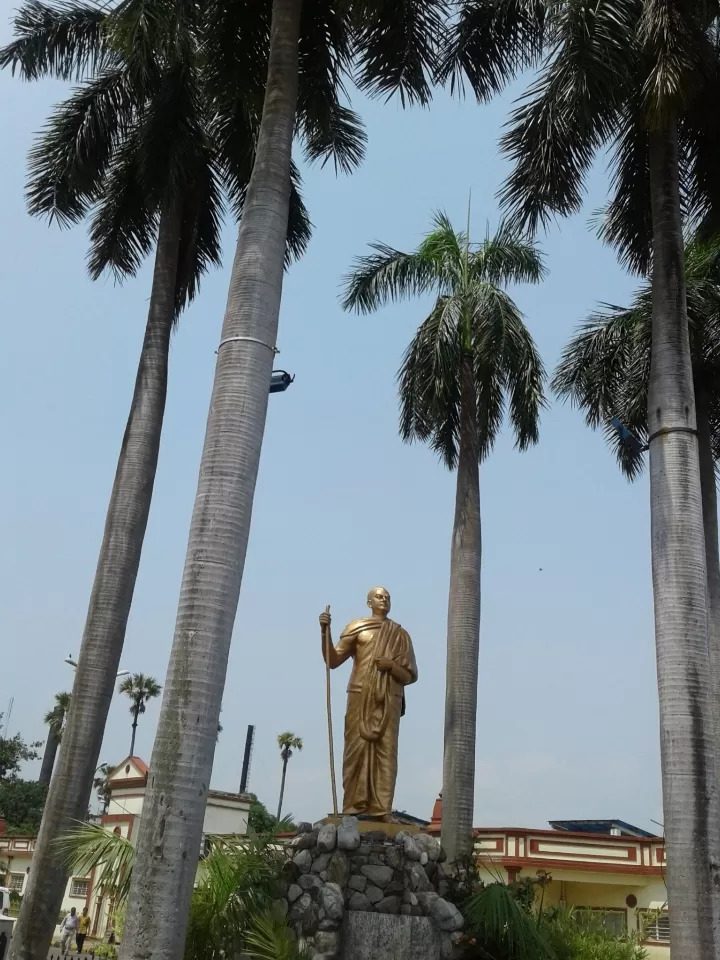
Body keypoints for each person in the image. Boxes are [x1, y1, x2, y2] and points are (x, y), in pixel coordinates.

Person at [319, 586, 418, 820]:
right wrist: (325, 632)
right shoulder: (358, 627)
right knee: (355, 749)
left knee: (387, 752)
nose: (383, 600)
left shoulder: (400, 635)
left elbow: (410, 676)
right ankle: (354, 806)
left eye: (387, 598)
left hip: (389, 699)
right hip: (359, 693)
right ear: (369, 602)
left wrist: (392, 667)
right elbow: (333, 661)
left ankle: (382, 809)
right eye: (379, 597)